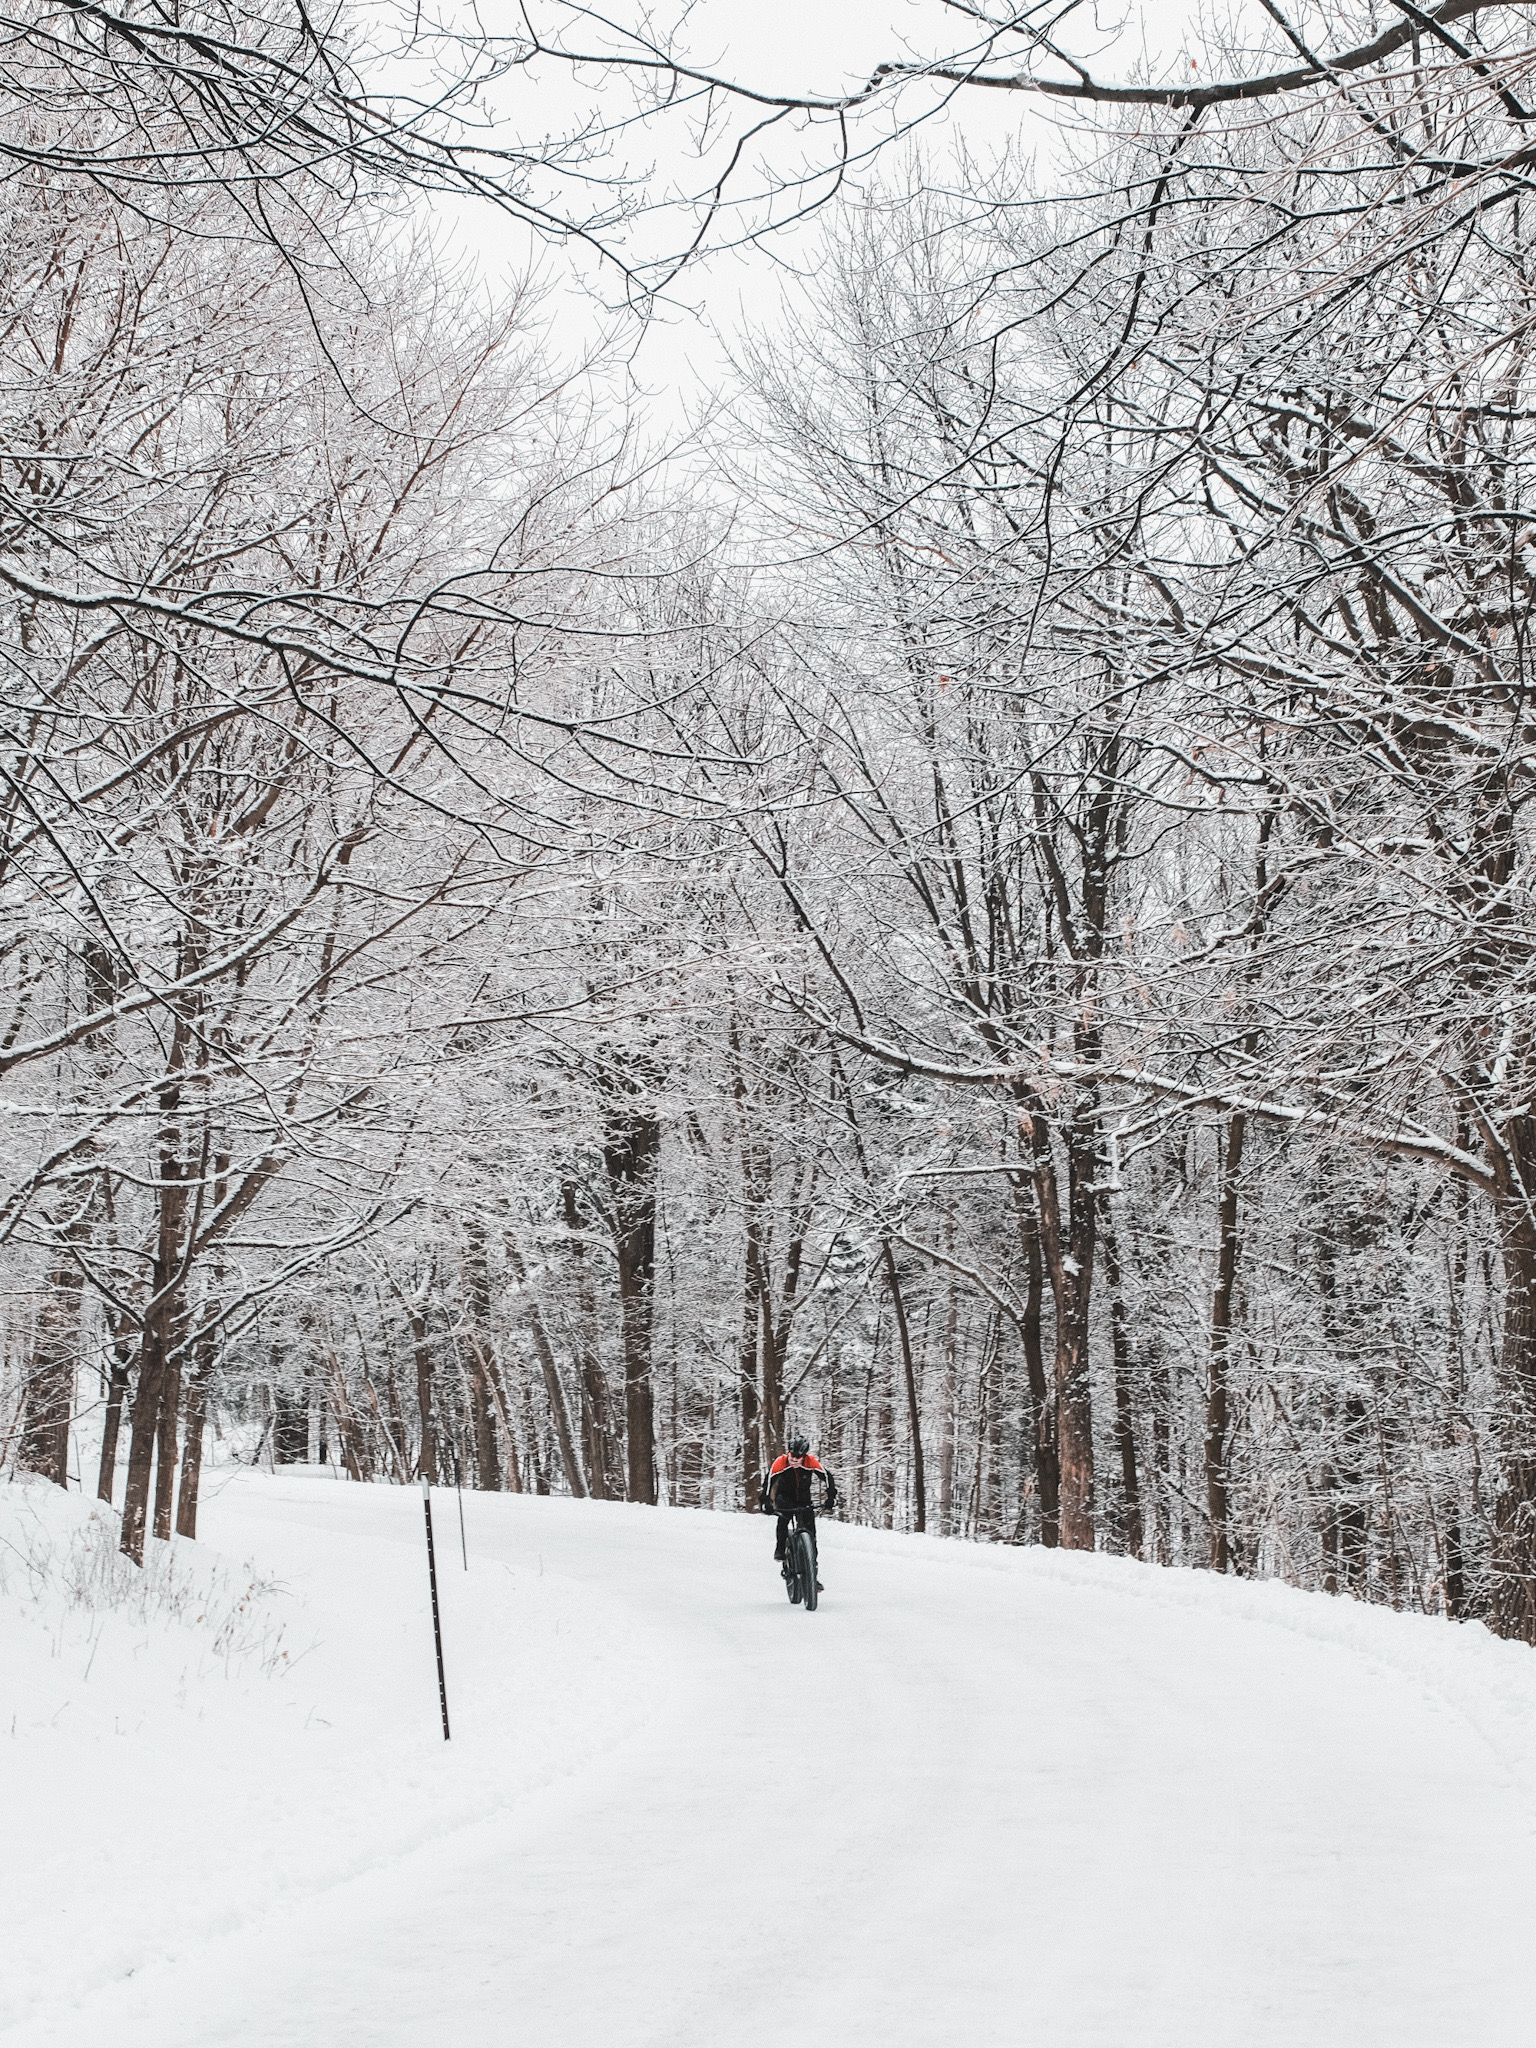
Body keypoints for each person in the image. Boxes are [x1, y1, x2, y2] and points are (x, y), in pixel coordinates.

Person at [760, 1431, 838, 1587]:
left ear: (804, 1456)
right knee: (783, 1519)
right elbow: (769, 1481)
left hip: (803, 1500)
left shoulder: (810, 1462)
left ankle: (812, 1576)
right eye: (792, 1456)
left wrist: (831, 1497)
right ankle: (780, 1548)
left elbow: (827, 1477)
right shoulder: (781, 1462)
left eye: (798, 1457)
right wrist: (765, 1501)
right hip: (785, 1498)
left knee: (811, 1536)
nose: (794, 1460)